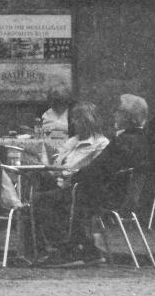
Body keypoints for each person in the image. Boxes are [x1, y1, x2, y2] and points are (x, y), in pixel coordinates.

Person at [41, 94, 152, 267]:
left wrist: (73, 178)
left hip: (107, 196)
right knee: (64, 195)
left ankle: (67, 250)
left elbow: (99, 168)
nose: (114, 114)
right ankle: (87, 249)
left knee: (43, 200)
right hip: (122, 195)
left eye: (118, 110)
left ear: (128, 116)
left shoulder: (124, 141)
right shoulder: (141, 139)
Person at [31, 102, 111, 253]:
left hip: (81, 188)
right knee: (33, 192)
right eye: (74, 118)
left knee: (40, 200)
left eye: (78, 119)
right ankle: (39, 247)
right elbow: (57, 164)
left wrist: (70, 175)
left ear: (89, 121)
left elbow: (96, 172)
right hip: (61, 182)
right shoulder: (72, 141)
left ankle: (63, 245)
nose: (74, 122)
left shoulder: (101, 144)